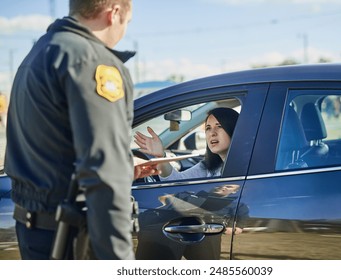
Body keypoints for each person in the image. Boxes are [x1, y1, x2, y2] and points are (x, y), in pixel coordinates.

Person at [5, 0, 158, 260]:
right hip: (70, 240)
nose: (123, 31)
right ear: (115, 13)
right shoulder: (93, 62)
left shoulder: (41, 52)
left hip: (34, 232)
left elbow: (51, 147)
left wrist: (123, 163)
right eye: (127, 23)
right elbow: (103, 173)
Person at [134, 107, 239, 180]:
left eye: (219, 126)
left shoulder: (247, 167)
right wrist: (160, 156)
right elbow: (175, 182)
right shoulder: (208, 166)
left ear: (233, 129)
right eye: (208, 128)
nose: (212, 133)